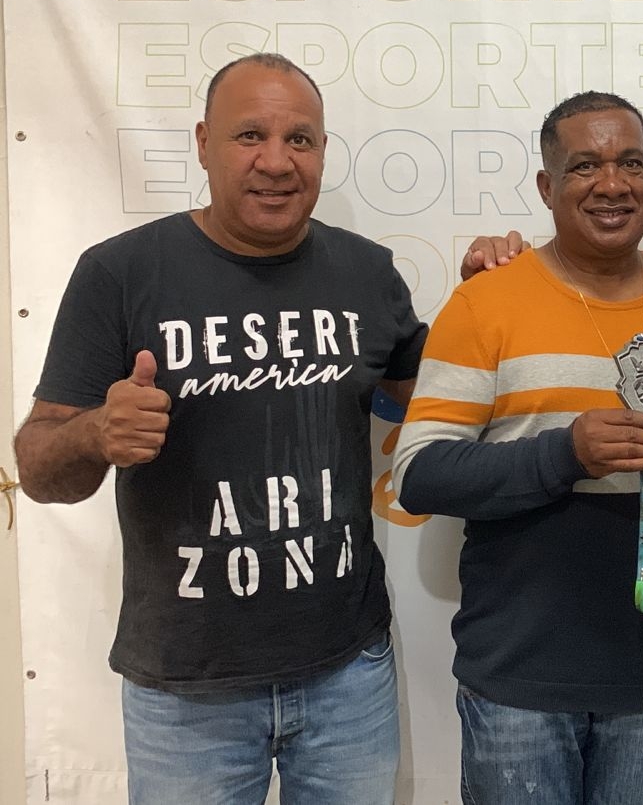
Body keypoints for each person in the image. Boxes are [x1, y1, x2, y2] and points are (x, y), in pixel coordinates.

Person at [12, 53, 426, 804]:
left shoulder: (368, 273)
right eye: (249, 135)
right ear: (204, 144)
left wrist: (491, 293)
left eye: (300, 139)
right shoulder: (120, 273)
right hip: (186, 692)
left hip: (347, 676)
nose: (277, 161)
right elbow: (38, 469)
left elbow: (428, 398)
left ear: (323, 150)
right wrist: (97, 432)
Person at [393, 91, 643, 805]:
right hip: (519, 679)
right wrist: (565, 455)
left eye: (631, 164)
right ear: (546, 187)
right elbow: (419, 474)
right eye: (585, 165)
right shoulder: (485, 303)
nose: (612, 183)